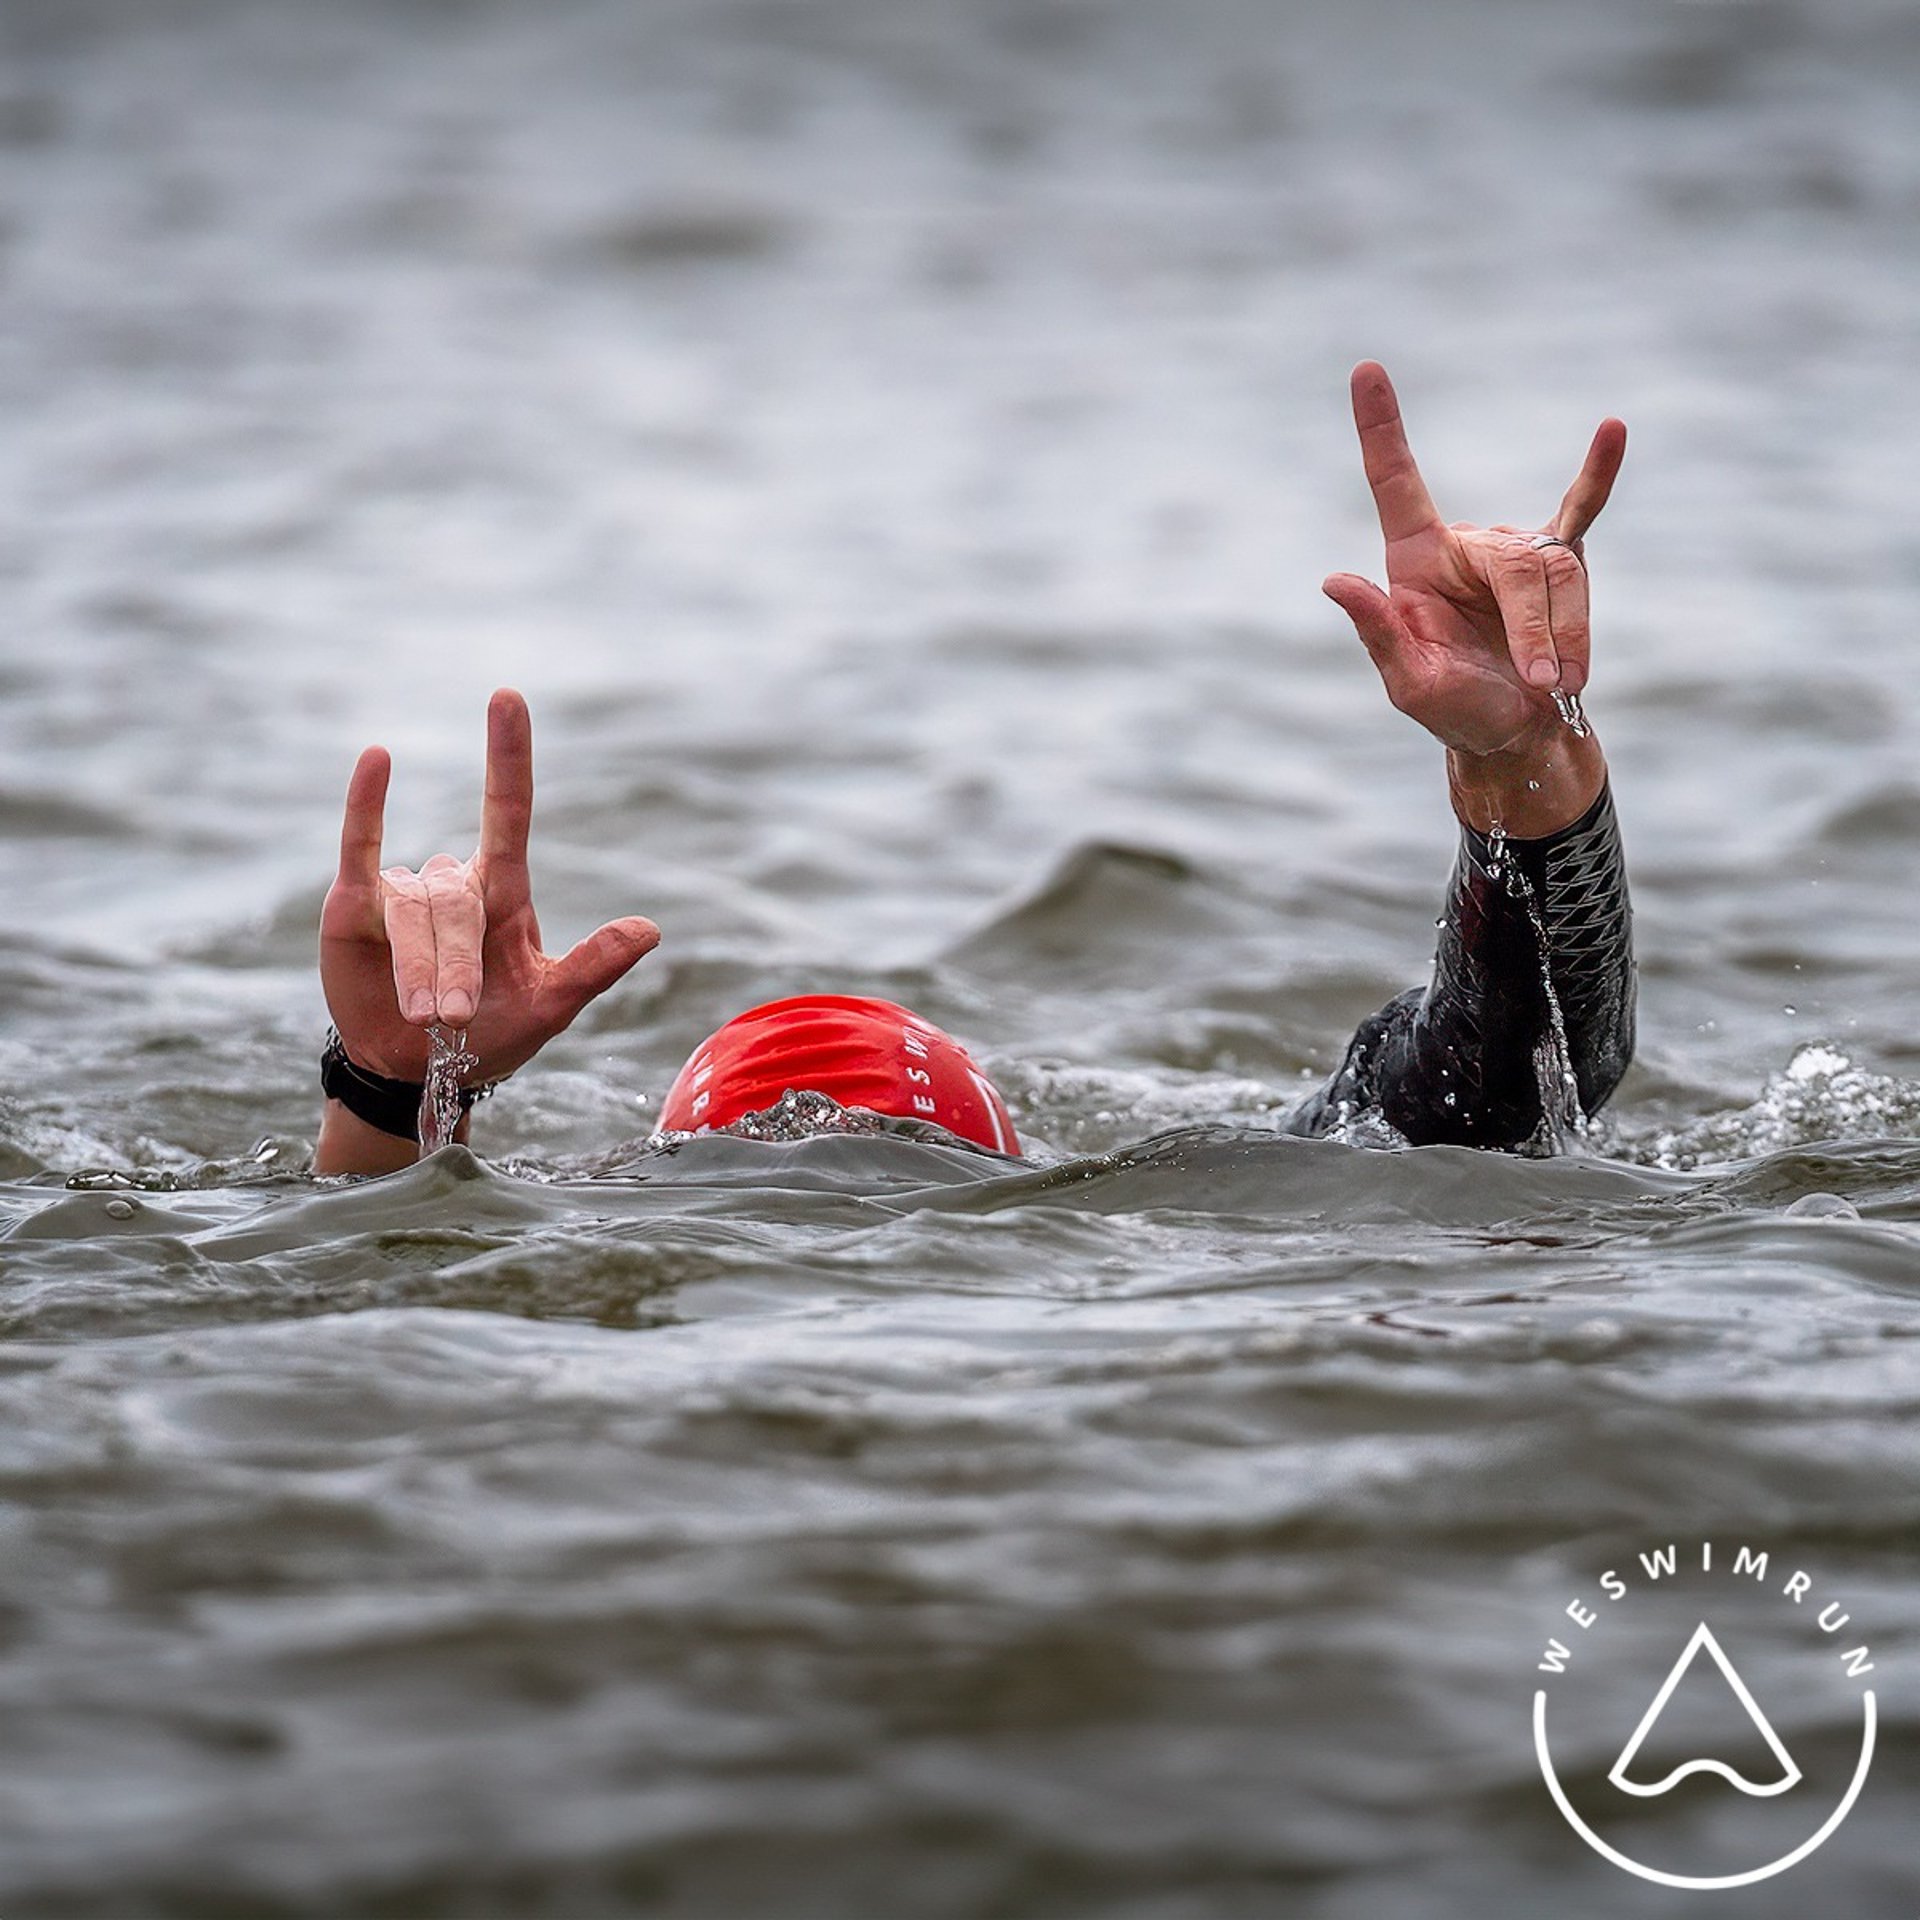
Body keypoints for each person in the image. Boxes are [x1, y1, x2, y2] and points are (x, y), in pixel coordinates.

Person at [314, 363, 1633, 1177]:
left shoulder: (587, 1239)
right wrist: (395, 1080)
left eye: (879, 1185)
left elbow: (1508, 1078)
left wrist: (1517, 756)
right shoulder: (1157, 1241)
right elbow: (1517, 1091)